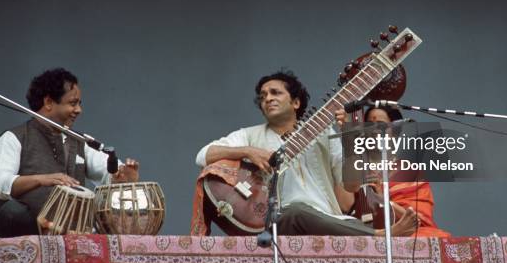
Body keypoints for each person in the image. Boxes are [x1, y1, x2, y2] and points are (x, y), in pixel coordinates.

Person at [191, 70, 419, 236]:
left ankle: (364, 233)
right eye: (262, 96)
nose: (267, 98)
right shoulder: (249, 135)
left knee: (305, 212)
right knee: (294, 211)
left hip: (327, 220)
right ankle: (380, 237)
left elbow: (351, 186)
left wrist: (349, 136)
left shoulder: (324, 134)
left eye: (275, 93)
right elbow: (203, 155)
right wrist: (248, 151)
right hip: (277, 221)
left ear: (296, 102)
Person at [0, 68, 139, 237]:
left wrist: (122, 178)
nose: (79, 110)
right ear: (49, 102)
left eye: (80, 103)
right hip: (20, 238)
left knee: (108, 220)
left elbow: (107, 172)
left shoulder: (80, 142)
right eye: (73, 103)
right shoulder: (13, 138)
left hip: (67, 238)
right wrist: (42, 179)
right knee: (12, 210)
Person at [336, 105, 450, 237]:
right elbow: (343, 207)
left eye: (380, 124)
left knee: (436, 237)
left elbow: (417, 219)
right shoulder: (354, 165)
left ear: (395, 132)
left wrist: (382, 199)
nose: (374, 129)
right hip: (364, 230)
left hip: (405, 230)